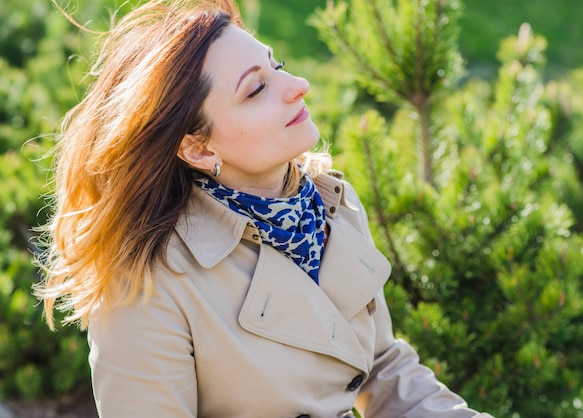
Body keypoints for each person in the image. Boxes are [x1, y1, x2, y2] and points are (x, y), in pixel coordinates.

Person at [35, 0, 494, 417]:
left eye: (279, 66)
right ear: (196, 147)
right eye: (256, 90)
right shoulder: (147, 281)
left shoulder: (331, 203)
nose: (298, 86)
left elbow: (381, 369)